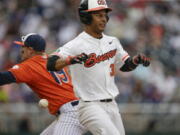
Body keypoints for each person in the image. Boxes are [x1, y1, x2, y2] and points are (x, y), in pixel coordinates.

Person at [47, 0, 150, 135]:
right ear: (86, 17)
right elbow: (50, 63)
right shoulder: (76, 44)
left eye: (105, 15)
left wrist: (135, 61)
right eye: (98, 15)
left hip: (112, 105)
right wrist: (69, 60)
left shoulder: (112, 41)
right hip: (89, 105)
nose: (104, 19)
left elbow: (125, 66)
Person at [0, 33, 88, 135]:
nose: (21, 50)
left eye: (23, 46)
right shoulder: (52, 59)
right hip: (77, 108)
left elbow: (2, 78)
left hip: (71, 112)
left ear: (30, 50)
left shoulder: (30, 66)